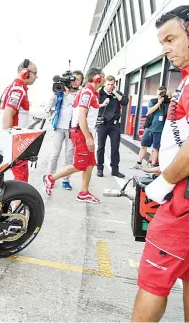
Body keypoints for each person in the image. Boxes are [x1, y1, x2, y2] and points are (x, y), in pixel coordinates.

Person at [130, 5, 189, 322]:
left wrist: (163, 183)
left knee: (153, 281)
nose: (165, 49)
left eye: (170, 39)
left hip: (182, 204)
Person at [42, 67, 109, 203]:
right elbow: (82, 116)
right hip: (81, 132)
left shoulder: (92, 92)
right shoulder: (87, 93)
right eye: (103, 76)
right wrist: (88, 138)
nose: (104, 79)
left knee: (90, 164)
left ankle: (84, 192)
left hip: (86, 132)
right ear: (96, 77)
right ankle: (50, 178)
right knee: (79, 165)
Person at [0, 58, 38, 182]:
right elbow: (8, 115)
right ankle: (18, 201)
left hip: (13, 140)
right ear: (25, 72)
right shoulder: (18, 89)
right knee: (21, 179)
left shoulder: (13, 87)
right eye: (35, 73)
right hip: (16, 142)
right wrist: (12, 144)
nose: (36, 77)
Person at [46, 70, 84, 190]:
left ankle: (65, 180)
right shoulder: (61, 91)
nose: (76, 82)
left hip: (72, 129)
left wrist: (67, 94)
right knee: (55, 154)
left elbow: (76, 105)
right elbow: (50, 104)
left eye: (78, 80)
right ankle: (49, 177)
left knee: (69, 155)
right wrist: (56, 91)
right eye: (74, 79)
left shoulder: (81, 93)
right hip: (59, 127)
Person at [96, 75, 129, 178]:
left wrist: (115, 93)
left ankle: (115, 170)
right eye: (108, 84)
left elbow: (124, 102)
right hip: (102, 124)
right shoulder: (99, 94)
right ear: (104, 84)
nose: (110, 86)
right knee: (101, 147)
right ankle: (100, 168)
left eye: (112, 84)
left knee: (115, 148)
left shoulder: (117, 94)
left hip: (114, 125)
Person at [133, 86, 170, 169]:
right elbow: (149, 111)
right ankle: (139, 163)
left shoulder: (168, 103)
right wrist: (159, 102)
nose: (160, 95)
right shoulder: (153, 101)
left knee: (156, 148)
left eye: (162, 93)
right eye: (159, 93)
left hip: (160, 130)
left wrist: (167, 100)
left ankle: (153, 165)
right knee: (143, 145)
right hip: (150, 128)